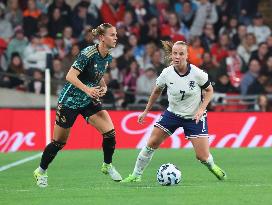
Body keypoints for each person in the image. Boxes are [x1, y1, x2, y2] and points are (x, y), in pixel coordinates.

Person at [121, 40, 227, 183]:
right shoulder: (166, 73)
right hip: (173, 114)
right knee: (151, 143)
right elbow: (156, 91)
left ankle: (212, 165)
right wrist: (146, 111)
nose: (177, 56)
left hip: (194, 116)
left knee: (202, 156)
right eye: (175, 53)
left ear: (187, 56)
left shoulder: (197, 73)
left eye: (181, 54)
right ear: (171, 55)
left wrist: (202, 109)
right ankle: (136, 175)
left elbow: (209, 90)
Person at [33, 23, 122, 188]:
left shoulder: (108, 56)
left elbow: (98, 75)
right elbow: (70, 76)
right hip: (70, 101)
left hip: (88, 100)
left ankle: (107, 165)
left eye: (116, 35)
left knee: (110, 132)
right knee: (59, 142)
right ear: (102, 38)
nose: (115, 37)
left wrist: (104, 87)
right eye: (112, 35)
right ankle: (41, 171)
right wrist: (88, 90)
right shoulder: (87, 53)